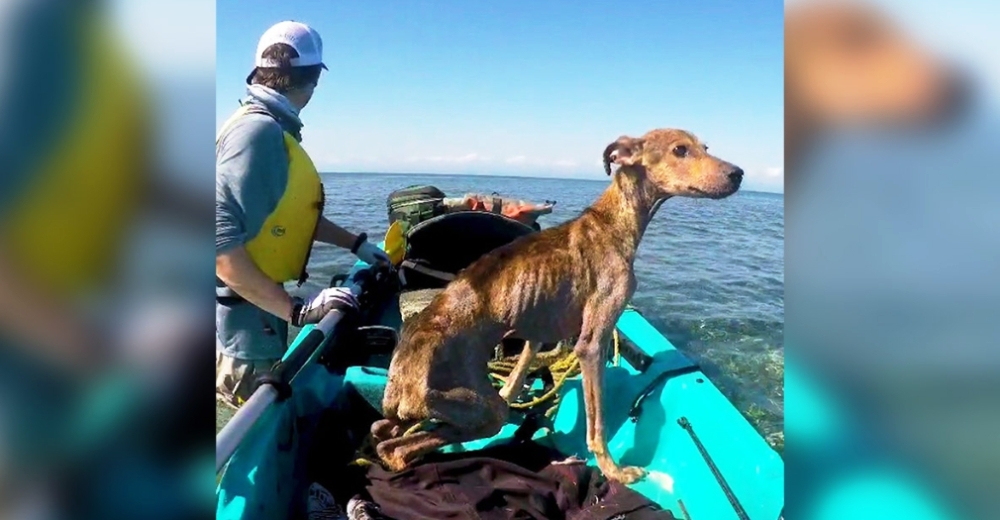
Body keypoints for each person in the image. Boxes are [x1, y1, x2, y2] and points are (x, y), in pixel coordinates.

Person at [216, 20, 389, 407]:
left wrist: (356, 244)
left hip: (259, 307)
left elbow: (290, 216)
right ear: (312, 80)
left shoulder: (270, 128)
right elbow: (218, 243)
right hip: (244, 323)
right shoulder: (258, 133)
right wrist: (298, 310)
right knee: (250, 420)